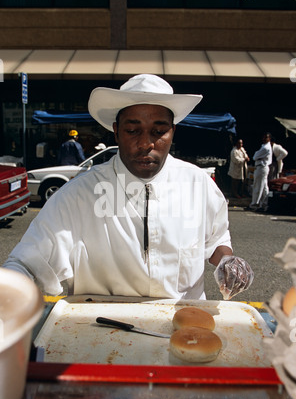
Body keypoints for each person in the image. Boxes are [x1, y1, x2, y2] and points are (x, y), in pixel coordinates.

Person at [2, 74, 253, 301]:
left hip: (183, 333)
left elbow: (216, 239)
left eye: (159, 130)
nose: (146, 143)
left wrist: (227, 261)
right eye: (133, 130)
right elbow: (26, 263)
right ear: (116, 131)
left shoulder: (199, 186)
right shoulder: (78, 195)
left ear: (173, 132)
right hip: (98, 335)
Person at [248, 132, 272, 212]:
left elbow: (255, 157)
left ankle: (255, 204)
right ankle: (264, 203)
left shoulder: (266, 148)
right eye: (264, 137)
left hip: (261, 167)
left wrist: (257, 156)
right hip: (262, 167)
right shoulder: (265, 146)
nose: (264, 139)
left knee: (258, 186)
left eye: (266, 137)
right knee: (264, 187)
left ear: (269, 138)